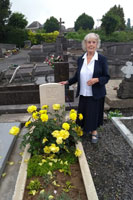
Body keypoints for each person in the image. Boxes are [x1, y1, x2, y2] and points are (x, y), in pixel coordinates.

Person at [60, 33, 110, 143]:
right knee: (83, 113)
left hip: (96, 92)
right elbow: (78, 75)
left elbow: (106, 77)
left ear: (97, 44)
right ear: (85, 44)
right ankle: (83, 130)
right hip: (83, 92)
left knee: (93, 113)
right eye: (89, 42)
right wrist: (68, 82)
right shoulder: (81, 59)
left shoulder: (101, 59)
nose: (91, 44)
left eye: (93, 42)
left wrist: (96, 80)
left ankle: (94, 132)